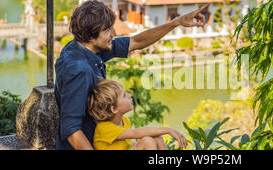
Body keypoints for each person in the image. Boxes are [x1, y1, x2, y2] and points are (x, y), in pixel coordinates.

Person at [54, 0, 210, 150]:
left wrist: (177, 22)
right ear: (90, 35)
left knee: (154, 138)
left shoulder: (83, 47)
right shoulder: (78, 70)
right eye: (108, 30)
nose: (113, 33)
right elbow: (71, 129)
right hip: (93, 144)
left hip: (107, 140)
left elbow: (136, 42)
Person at [87, 79, 187, 150]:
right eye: (124, 96)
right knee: (148, 141)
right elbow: (136, 133)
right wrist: (168, 130)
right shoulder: (104, 128)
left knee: (156, 137)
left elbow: (130, 144)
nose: (130, 95)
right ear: (113, 109)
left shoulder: (125, 121)